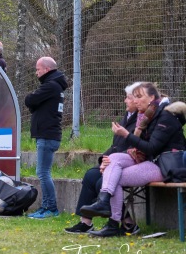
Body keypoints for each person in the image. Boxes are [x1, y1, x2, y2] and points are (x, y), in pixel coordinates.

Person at [80, 82, 186, 237]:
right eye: (134, 97)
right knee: (114, 160)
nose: (135, 101)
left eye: (139, 97)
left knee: (115, 177)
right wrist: (106, 162)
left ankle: (112, 223)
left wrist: (126, 135)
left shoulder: (165, 116)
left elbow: (151, 148)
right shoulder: (146, 117)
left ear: (151, 98)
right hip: (152, 161)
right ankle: (105, 205)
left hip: (165, 165)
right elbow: (136, 149)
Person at [64, 82, 141, 234]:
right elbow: (115, 146)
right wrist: (103, 160)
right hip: (114, 161)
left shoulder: (141, 119)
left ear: (138, 100)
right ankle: (85, 222)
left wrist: (109, 162)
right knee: (90, 175)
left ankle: (127, 222)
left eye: (128, 98)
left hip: (130, 163)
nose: (125, 101)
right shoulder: (127, 116)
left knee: (102, 182)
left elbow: (135, 147)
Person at [25, 56, 68, 219]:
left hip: (47, 135)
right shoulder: (54, 86)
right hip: (48, 134)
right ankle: (46, 207)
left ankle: (50, 207)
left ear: (47, 69)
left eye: (38, 69)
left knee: (43, 172)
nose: (36, 73)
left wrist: (33, 102)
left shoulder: (51, 86)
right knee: (43, 172)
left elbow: (30, 99)